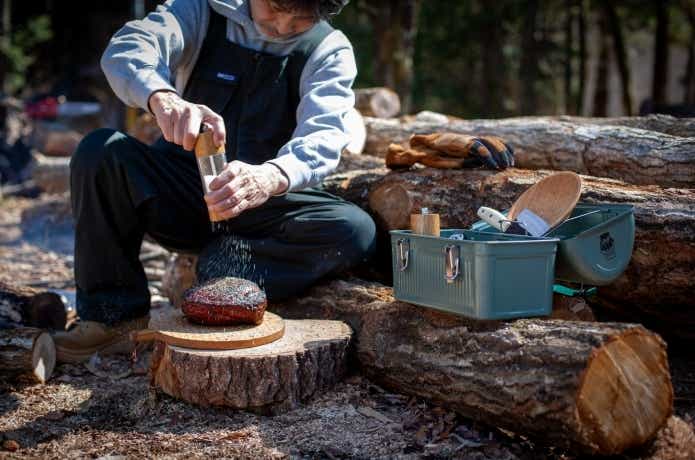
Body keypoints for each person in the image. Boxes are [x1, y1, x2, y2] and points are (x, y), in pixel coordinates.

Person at [53, 0, 377, 363]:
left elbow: (325, 136)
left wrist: (270, 176)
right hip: (183, 196)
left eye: (302, 18)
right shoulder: (200, 12)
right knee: (101, 151)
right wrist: (163, 98)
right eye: (274, 8)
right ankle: (113, 320)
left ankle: (223, 278)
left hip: (265, 208)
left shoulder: (330, 49)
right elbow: (127, 48)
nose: (283, 26)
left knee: (354, 229)